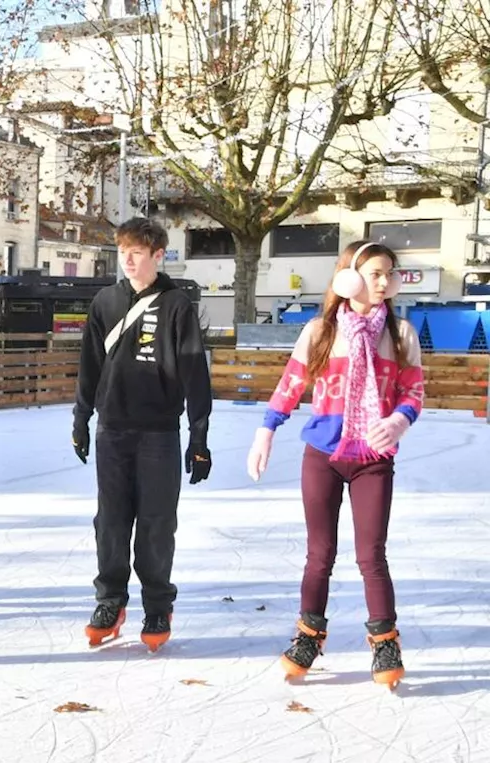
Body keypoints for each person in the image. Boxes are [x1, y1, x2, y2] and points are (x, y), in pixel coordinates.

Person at [247, 240, 423, 689]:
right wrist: (267, 428)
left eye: (390, 274)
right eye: (376, 273)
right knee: (319, 554)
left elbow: (413, 392)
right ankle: (308, 635)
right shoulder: (321, 331)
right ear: (350, 276)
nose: (385, 283)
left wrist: (399, 420)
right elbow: (291, 384)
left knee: (371, 555)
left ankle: (385, 640)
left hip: (373, 459)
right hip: (323, 456)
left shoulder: (401, 335)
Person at [72, 217, 212, 652]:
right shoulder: (105, 302)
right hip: (112, 430)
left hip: (158, 433)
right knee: (110, 523)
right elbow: (89, 366)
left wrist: (199, 437)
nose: (129, 260)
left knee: (155, 523)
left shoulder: (176, 305)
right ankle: (110, 601)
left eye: (138, 252)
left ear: (158, 255)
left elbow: (195, 374)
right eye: (123, 251)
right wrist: (81, 419)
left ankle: (157, 604)